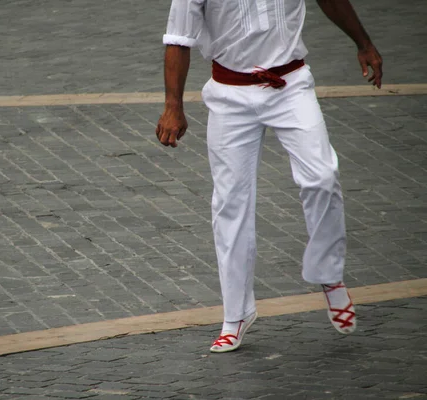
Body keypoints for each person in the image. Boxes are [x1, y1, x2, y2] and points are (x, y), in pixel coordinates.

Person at [156, 0, 383, 352]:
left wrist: (363, 43)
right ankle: (236, 314)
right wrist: (173, 106)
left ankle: (329, 275)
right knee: (230, 202)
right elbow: (178, 38)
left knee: (322, 176)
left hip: (290, 86)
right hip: (229, 94)